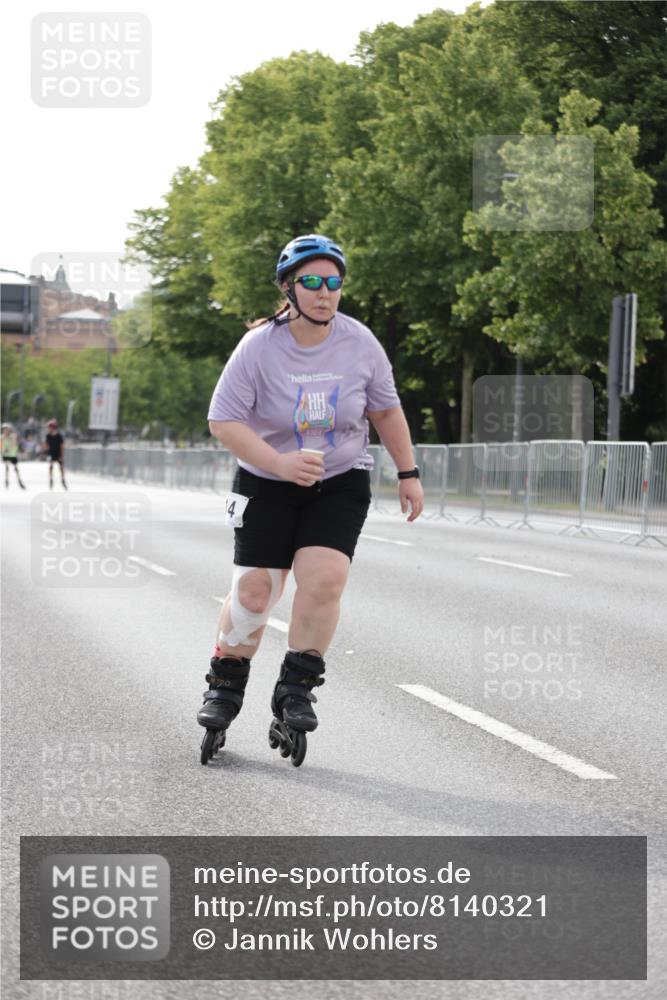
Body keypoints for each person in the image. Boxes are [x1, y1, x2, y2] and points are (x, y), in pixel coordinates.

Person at [197, 234, 424, 766]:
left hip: (339, 479)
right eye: (313, 282)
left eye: (334, 282)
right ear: (289, 287)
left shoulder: (360, 342)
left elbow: (386, 411)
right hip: (266, 481)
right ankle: (225, 685)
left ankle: (295, 690)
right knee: (255, 593)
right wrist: (277, 463)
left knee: (324, 579)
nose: (325, 293)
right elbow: (222, 419)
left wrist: (408, 472)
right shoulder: (258, 347)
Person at [2, 423, 26, 489]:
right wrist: (3, 450)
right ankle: (6, 481)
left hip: (12, 455)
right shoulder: (2, 437)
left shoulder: (12, 436)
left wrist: (8, 449)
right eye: (4, 430)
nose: (5, 431)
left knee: (16, 468)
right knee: (7, 467)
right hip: (6, 455)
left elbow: (14, 444)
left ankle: (19, 481)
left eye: (7, 429)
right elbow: (1, 445)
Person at [45, 419, 67, 490]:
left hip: (58, 453)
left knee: (61, 467)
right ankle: (51, 480)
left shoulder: (59, 436)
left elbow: (62, 446)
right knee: (51, 466)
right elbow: (47, 445)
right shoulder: (48, 436)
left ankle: (63, 479)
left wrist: (61, 455)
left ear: (53, 428)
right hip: (51, 453)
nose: (48, 429)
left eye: (49, 427)